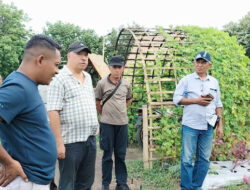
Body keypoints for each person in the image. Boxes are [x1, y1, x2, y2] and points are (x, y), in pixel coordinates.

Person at [0, 34, 61, 189]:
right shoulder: (18, 87)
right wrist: (9, 162)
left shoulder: (27, 85)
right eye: (55, 65)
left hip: (33, 180)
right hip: (25, 181)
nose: (57, 71)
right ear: (40, 60)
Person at [47, 41, 99, 190]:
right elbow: (53, 111)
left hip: (89, 140)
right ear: (69, 56)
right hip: (70, 142)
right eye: (79, 54)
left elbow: (90, 102)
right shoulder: (59, 78)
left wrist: (95, 123)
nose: (84, 58)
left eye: (86, 55)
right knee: (68, 184)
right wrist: (58, 143)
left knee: (86, 183)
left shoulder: (88, 77)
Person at [173, 51, 223, 190]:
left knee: (204, 160)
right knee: (187, 160)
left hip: (208, 125)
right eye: (197, 62)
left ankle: (196, 187)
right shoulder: (186, 80)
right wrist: (197, 100)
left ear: (209, 65)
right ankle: (186, 188)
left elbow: (218, 104)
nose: (199, 65)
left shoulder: (214, 82)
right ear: (194, 63)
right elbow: (176, 99)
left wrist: (220, 126)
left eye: (203, 62)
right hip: (190, 125)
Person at [95, 55, 132, 190]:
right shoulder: (101, 84)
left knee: (121, 155)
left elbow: (128, 100)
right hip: (107, 124)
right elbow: (97, 102)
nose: (117, 70)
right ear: (110, 68)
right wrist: (104, 114)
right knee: (107, 155)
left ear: (123, 68)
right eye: (114, 67)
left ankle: (121, 183)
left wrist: (120, 111)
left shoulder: (126, 84)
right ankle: (106, 184)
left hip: (122, 124)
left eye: (119, 67)